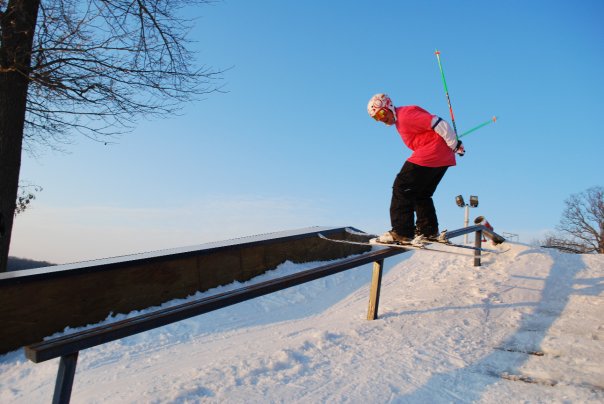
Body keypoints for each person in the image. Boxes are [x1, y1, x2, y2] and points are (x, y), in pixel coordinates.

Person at [367, 93, 465, 245]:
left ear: (388, 106)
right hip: (443, 158)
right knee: (421, 194)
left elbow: (437, 122)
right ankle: (428, 230)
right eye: (376, 118)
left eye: (381, 113)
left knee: (402, 186)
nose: (381, 118)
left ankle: (401, 231)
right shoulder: (401, 121)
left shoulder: (405, 116)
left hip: (431, 154)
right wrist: (455, 146)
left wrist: (453, 143)